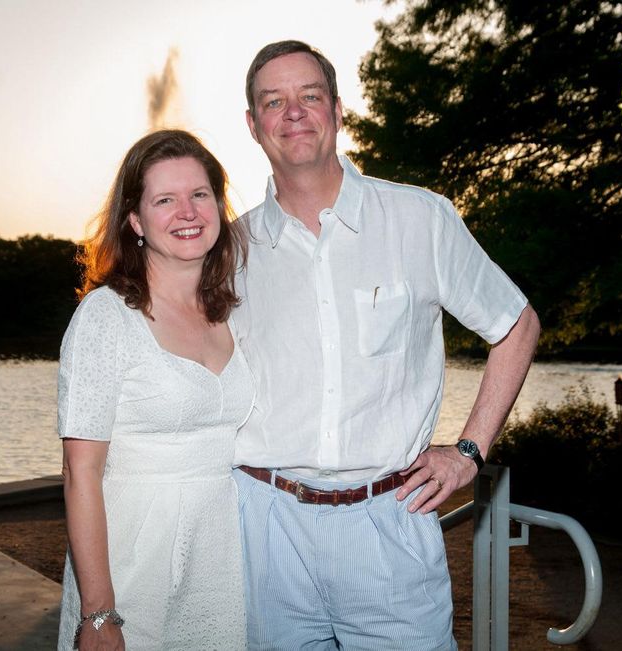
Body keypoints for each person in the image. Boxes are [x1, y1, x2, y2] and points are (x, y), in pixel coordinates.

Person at [231, 40, 541, 649]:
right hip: (264, 529)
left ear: (338, 110)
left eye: (309, 96)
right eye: (274, 101)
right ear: (253, 124)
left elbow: (516, 325)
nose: (294, 113)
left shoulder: (419, 219)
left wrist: (469, 451)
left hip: (388, 525)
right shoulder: (232, 251)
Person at [56, 129, 251, 650]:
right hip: (133, 553)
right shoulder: (106, 317)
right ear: (136, 221)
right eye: (165, 199)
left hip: (221, 554)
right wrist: (99, 612)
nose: (187, 212)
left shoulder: (230, 310)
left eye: (199, 194)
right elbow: (79, 470)